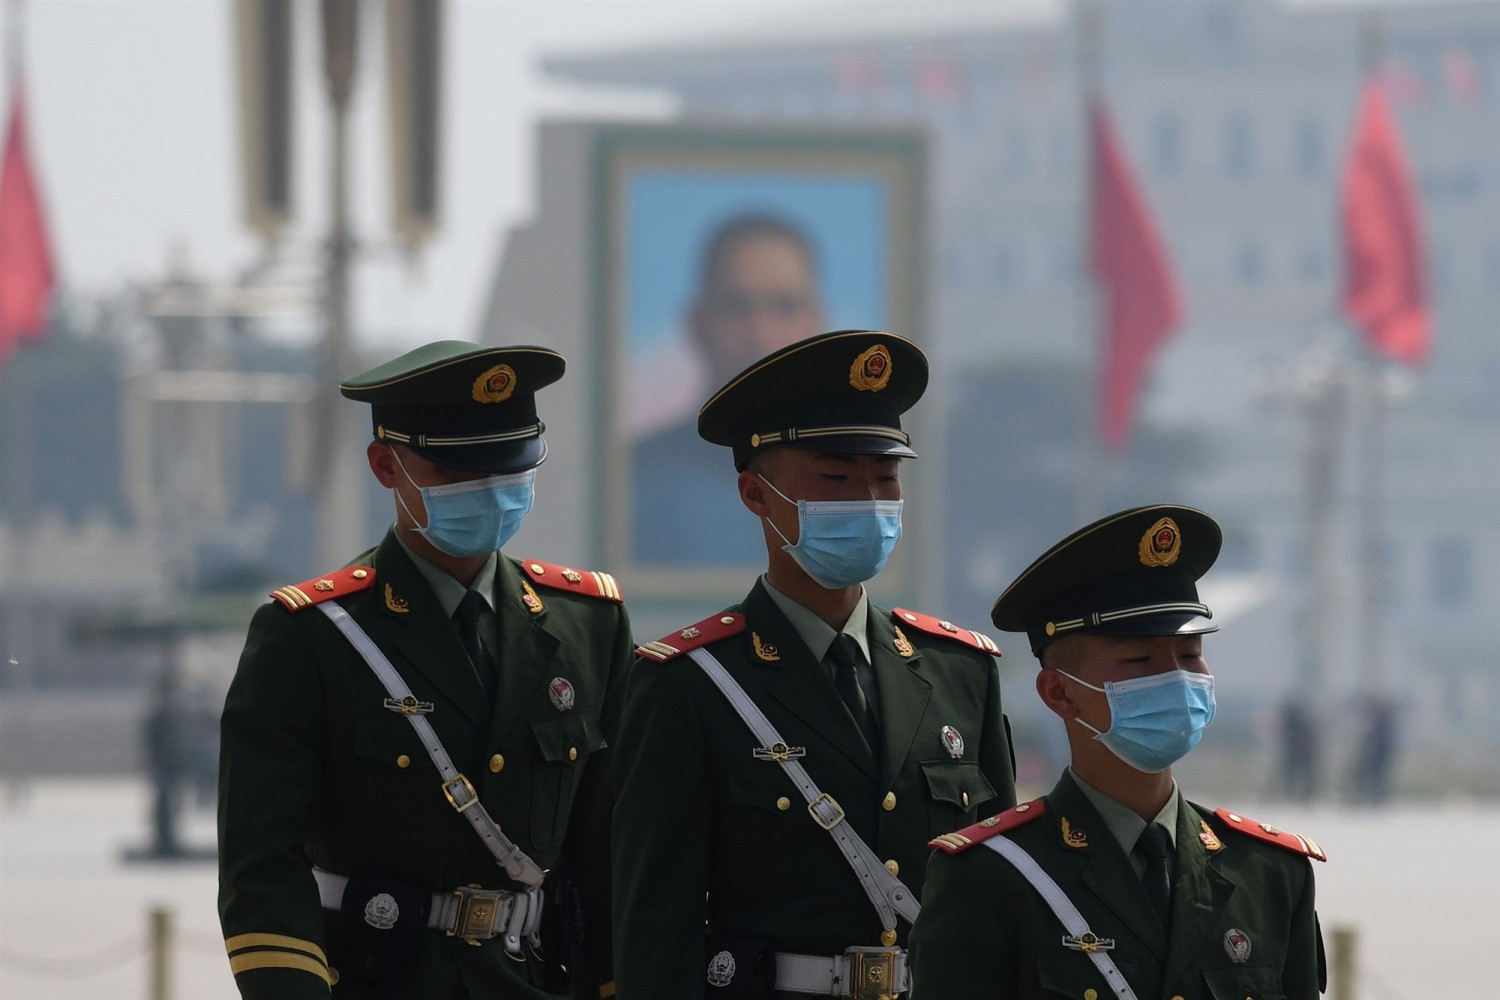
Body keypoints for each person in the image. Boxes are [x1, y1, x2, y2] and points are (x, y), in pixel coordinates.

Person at [217, 341, 631, 1000]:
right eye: (459, 469)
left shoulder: (588, 624)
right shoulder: (311, 635)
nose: (490, 490)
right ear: (386, 465)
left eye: (510, 466)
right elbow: (262, 871)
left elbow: (608, 855)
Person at [614, 330, 1017, 999]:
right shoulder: (689, 683)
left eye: (885, 478)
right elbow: (656, 930)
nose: (867, 499)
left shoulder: (959, 673)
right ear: (755, 494)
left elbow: (1001, 908)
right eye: (835, 478)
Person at [909, 505, 1327, 1000]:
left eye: (1190, 654)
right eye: (1140, 660)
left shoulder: (1269, 873)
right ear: (1059, 693)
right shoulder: (992, 874)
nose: (1176, 678)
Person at [631, 215, 826, 567]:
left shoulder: (859, 477)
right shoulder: (636, 480)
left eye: (784, 306)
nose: (761, 335)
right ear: (698, 323)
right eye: (737, 307)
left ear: (816, 322)